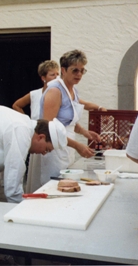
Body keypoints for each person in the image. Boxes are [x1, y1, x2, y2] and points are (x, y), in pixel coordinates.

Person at [38, 49, 104, 186]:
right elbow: (49, 128)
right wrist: (77, 146)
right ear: (63, 70)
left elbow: (70, 120)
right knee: (55, 184)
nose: (79, 74)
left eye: (82, 70)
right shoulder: (55, 91)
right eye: (75, 70)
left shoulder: (73, 90)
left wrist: (85, 132)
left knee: (67, 184)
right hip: (54, 147)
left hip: (67, 145)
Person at [12, 60, 59, 193]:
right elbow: (17, 105)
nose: (56, 77)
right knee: (36, 172)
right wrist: (26, 121)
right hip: (36, 136)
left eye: (57, 74)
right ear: (43, 77)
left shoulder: (57, 94)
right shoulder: (35, 94)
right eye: (52, 74)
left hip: (48, 138)